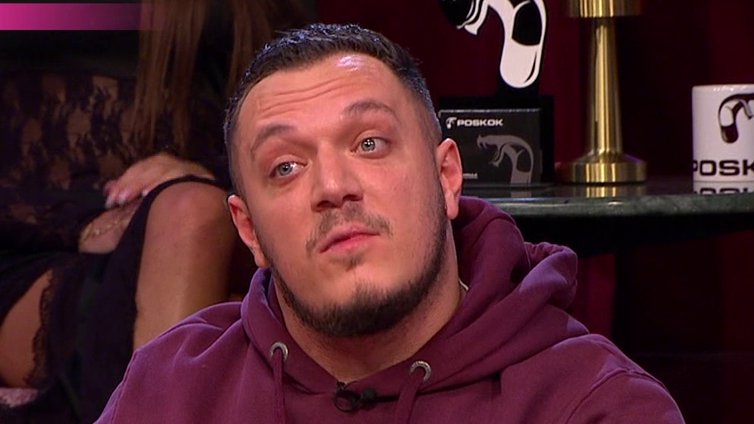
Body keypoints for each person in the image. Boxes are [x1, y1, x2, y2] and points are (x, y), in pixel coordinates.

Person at [95, 23, 685, 423]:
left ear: (447, 177)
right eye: (286, 167)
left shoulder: (592, 403)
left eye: (369, 143)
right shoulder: (170, 391)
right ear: (249, 231)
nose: (333, 187)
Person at [0, 1, 307, 422]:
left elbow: (306, 111)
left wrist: (210, 175)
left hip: (202, 217)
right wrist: (83, 225)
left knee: (193, 211)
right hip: (30, 239)